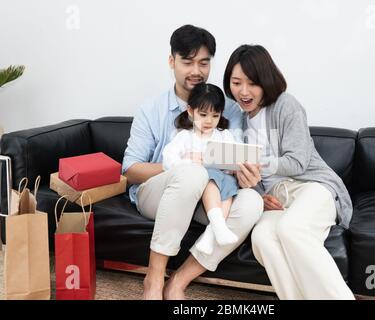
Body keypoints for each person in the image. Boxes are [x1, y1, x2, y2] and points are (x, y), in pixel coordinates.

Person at [122, 26, 263, 300]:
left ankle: (178, 281)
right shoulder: (151, 110)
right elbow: (130, 170)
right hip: (157, 193)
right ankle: (153, 279)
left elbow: (238, 159)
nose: (196, 70)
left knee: (251, 203)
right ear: (171, 61)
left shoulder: (229, 110)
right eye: (187, 62)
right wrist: (184, 167)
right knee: (190, 175)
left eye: (204, 62)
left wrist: (246, 174)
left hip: (208, 196)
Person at [223, 44, 355, 300]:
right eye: (236, 82)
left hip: (312, 187)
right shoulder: (239, 121)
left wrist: (255, 164)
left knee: (291, 230)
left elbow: (297, 162)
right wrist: (255, 192)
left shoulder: (286, 105)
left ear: (266, 81)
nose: (243, 91)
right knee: (262, 238)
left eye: (252, 83)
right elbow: (252, 179)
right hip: (276, 200)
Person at [162, 82, 239, 255]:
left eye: (215, 115)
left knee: (229, 187)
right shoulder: (184, 137)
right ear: (190, 111)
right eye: (203, 114)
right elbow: (167, 160)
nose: (209, 121)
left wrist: (230, 165)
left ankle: (210, 235)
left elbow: (234, 160)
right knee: (210, 177)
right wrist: (190, 162)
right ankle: (216, 229)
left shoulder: (224, 135)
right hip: (197, 187)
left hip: (222, 185)